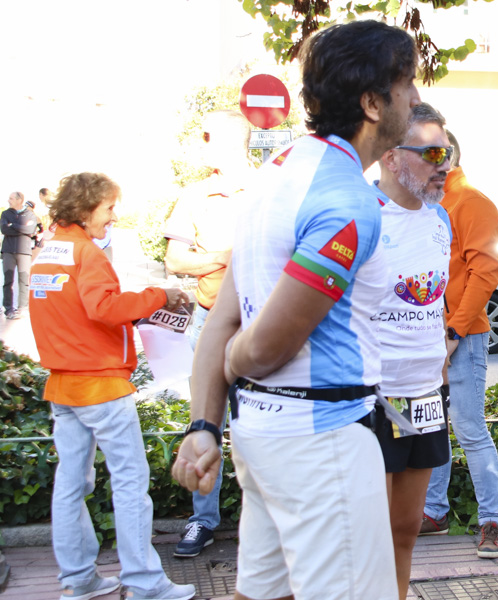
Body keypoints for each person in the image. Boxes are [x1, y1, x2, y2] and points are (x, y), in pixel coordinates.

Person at [171, 19, 420, 600]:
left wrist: (206, 424)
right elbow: (262, 345)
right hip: (323, 441)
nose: (415, 96)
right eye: (406, 83)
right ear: (372, 102)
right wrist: (234, 366)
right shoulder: (348, 202)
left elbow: (222, 320)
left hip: (263, 436)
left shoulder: (275, 175)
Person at [29, 172, 193, 600]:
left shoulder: (49, 253)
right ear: (86, 209)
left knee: (70, 486)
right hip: (100, 384)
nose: (113, 217)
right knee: (129, 484)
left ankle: (78, 580)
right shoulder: (86, 253)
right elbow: (103, 307)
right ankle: (144, 582)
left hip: (63, 386)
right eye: (109, 208)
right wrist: (158, 296)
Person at [163, 108, 253, 558]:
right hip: (208, 317)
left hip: (256, 325)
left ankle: (258, 521)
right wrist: (230, 256)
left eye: (204, 138)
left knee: (255, 423)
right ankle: (203, 521)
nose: (198, 147)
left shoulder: (267, 189)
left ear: (223, 140)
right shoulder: (195, 195)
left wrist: (210, 256)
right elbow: (176, 262)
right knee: (205, 424)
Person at [372, 102, 454, 600]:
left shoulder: (439, 218)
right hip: (373, 397)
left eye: (448, 151)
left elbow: (436, 297)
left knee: (405, 530)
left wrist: (444, 350)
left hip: (425, 395)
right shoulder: (364, 217)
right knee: (368, 536)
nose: (445, 163)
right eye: (432, 152)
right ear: (390, 156)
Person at [421, 130, 498, 558]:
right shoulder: (430, 204)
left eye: (427, 151)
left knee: (470, 429)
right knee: (434, 427)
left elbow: (485, 275)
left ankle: (492, 520)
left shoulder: (471, 202)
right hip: (431, 339)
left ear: (445, 156)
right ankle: (434, 513)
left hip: (462, 339)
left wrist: (452, 335)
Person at [0, 191, 38, 320]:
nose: (8, 200)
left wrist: (14, 225)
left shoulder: (30, 215)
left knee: (24, 280)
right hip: (9, 251)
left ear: (19, 200)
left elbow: (30, 230)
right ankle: (8, 309)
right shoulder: (5, 214)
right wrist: (22, 227)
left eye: (11, 198)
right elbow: (4, 229)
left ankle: (23, 308)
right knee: (8, 281)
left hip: (24, 251)